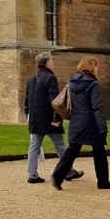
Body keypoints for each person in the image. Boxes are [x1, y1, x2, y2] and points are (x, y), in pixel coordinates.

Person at [51, 57, 110, 190]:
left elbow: (63, 101)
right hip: (91, 122)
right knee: (99, 151)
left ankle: (58, 175)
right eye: (97, 67)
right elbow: (97, 107)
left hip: (76, 121)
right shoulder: (93, 84)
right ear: (92, 67)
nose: (98, 69)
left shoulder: (71, 82)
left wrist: (57, 117)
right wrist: (102, 128)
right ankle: (103, 181)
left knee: (72, 150)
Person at [24, 51, 83, 184]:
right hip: (49, 119)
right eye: (51, 61)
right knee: (61, 146)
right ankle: (68, 171)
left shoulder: (31, 79)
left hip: (35, 119)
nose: (53, 63)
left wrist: (28, 115)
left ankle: (32, 175)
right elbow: (55, 101)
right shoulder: (51, 78)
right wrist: (56, 118)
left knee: (34, 146)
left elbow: (27, 101)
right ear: (47, 63)